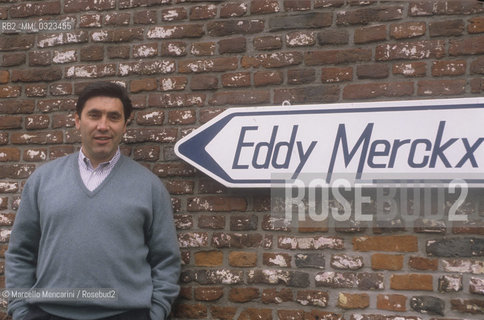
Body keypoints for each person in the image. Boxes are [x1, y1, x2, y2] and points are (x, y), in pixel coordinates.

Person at [5, 81, 181, 320]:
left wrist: (156, 311)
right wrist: (20, 311)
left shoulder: (149, 186)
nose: (103, 125)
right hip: (47, 313)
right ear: (78, 121)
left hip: (126, 314)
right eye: (94, 115)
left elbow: (166, 259)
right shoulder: (42, 180)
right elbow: (21, 252)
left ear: (125, 125)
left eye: (114, 117)